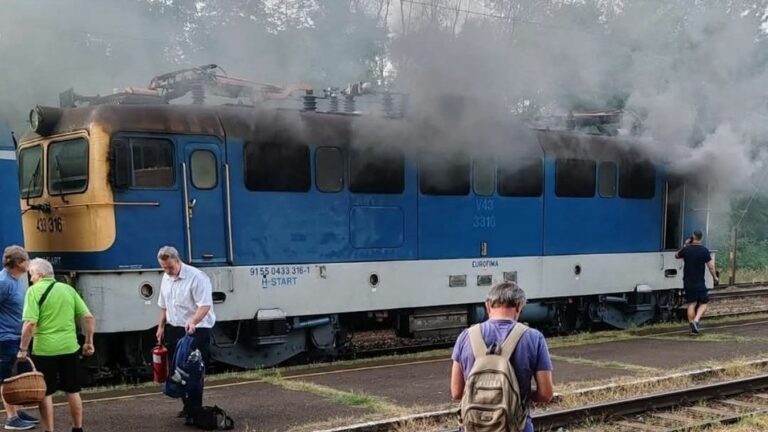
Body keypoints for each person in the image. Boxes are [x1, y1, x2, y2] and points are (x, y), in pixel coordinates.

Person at [450, 281, 554, 432]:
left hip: (473, 427)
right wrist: (517, 395)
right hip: (517, 427)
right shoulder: (534, 337)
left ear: (488, 306)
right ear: (519, 306)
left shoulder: (466, 336)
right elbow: (546, 394)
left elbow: (456, 392)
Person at [18, 258, 95, 432]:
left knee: (45, 393)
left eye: (32, 275)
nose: (31, 279)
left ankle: (49, 430)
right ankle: (77, 428)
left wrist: (23, 349)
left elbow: (30, 324)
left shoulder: (34, 291)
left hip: (44, 350)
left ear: (40, 274)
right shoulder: (68, 289)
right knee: (73, 390)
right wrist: (89, 342)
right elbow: (88, 317)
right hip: (70, 348)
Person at [154, 246, 216, 424]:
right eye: (164, 268)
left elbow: (205, 306)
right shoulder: (166, 277)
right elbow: (163, 305)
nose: (167, 271)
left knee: (193, 371)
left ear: (178, 260)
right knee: (177, 371)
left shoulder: (197, 277)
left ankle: (195, 410)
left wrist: (193, 321)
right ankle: (187, 406)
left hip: (196, 329)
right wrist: (161, 326)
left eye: (170, 267)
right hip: (175, 328)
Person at [0, 246, 38, 430]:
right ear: (18, 263)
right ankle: (11, 418)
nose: (29, 263)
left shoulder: (17, 279)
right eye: (27, 259)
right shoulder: (3, 282)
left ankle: (19, 410)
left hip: (17, 335)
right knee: (6, 377)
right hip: (5, 337)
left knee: (18, 375)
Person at [676, 230, 718, 335]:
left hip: (687, 281)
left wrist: (685, 245)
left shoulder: (686, 250)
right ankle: (696, 320)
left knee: (691, 304)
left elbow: (676, 255)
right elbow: (711, 267)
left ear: (693, 237)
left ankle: (692, 327)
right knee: (704, 303)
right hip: (699, 282)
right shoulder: (704, 251)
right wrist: (715, 277)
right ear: (701, 238)